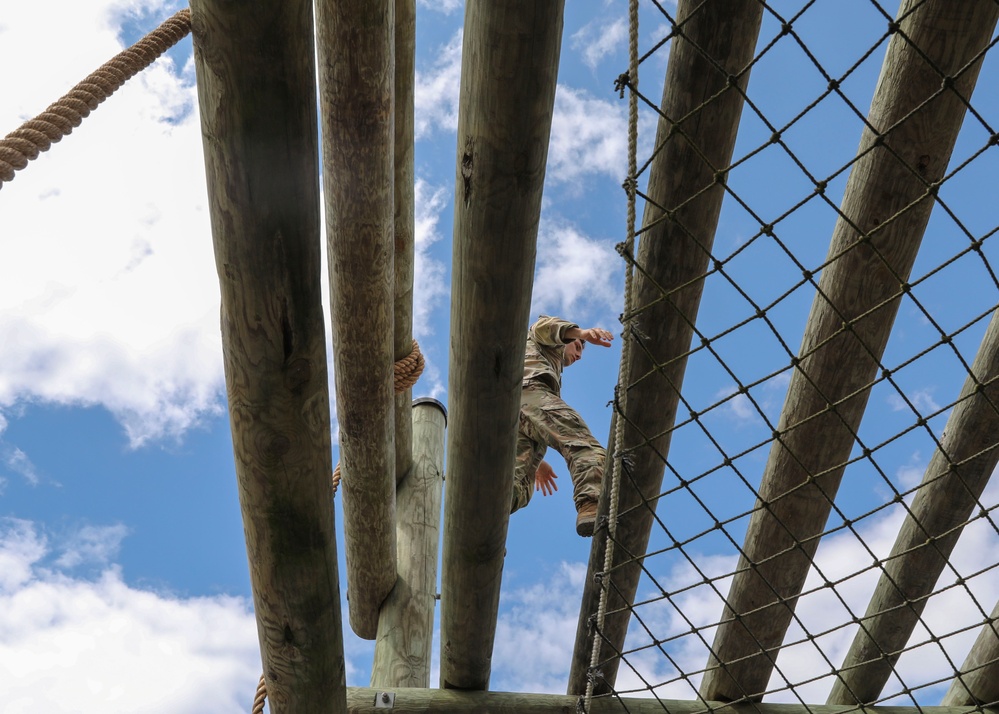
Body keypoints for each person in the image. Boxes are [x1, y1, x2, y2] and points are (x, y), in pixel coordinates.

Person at [511, 315, 613, 536]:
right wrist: (581, 333)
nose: (579, 355)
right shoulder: (537, 337)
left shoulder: (548, 364)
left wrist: (539, 463)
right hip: (527, 392)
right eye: (577, 347)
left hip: (517, 411)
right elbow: (546, 326)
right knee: (581, 443)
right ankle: (591, 501)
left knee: (518, 483)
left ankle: (484, 530)